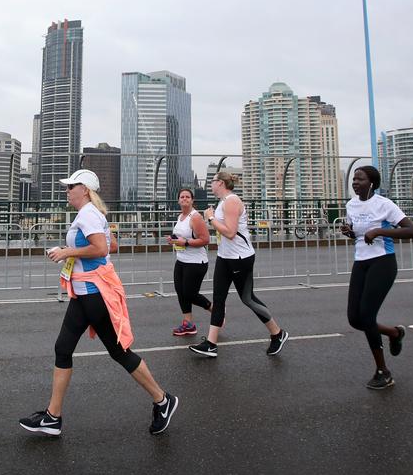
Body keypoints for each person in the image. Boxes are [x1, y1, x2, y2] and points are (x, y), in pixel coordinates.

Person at [19, 169, 179, 437]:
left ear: (85, 189)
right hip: (83, 293)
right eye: (67, 186)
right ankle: (53, 416)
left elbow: (103, 249)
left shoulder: (90, 214)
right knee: (63, 348)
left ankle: (163, 400)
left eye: (71, 186)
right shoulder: (93, 215)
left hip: (95, 294)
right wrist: (80, 253)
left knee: (119, 353)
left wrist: (67, 251)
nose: (66, 190)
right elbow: (111, 245)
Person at [188, 171, 289, 358]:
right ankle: (211, 344)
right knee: (218, 299)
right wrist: (213, 217)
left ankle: (277, 333)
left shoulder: (232, 201)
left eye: (212, 181)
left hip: (240, 258)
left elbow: (230, 232)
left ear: (220, 183)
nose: (210, 184)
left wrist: (210, 218)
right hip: (224, 256)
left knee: (248, 298)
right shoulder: (222, 202)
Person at [339, 166, 413, 389]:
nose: (355, 182)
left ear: (371, 183)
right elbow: (358, 233)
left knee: (367, 316)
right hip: (361, 261)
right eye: (353, 179)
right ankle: (394, 333)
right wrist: (349, 232)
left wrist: (380, 231)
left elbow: (412, 230)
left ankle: (383, 371)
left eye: (360, 179)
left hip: (383, 262)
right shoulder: (351, 205)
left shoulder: (384, 204)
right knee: (355, 319)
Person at [167, 187, 212, 336]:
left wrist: (184, 242)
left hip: (196, 262)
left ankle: (215, 310)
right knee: (181, 292)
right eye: (182, 197)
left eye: (187, 197)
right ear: (178, 200)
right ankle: (188, 324)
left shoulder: (196, 217)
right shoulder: (180, 217)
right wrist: (173, 240)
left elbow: (205, 239)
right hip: (181, 260)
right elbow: (180, 237)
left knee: (190, 294)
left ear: (192, 200)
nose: (184, 199)